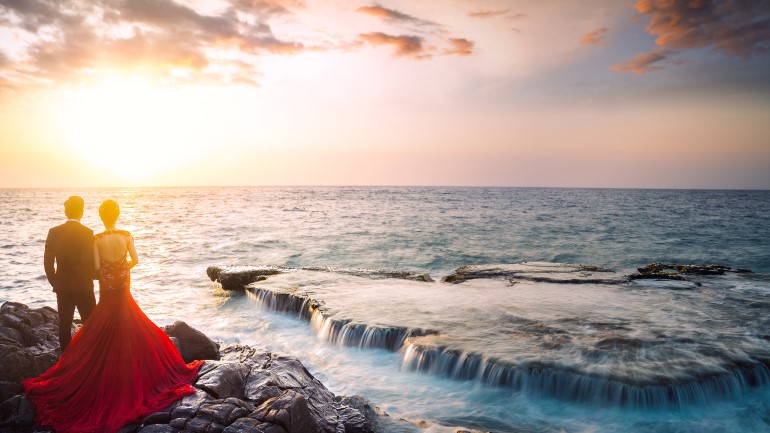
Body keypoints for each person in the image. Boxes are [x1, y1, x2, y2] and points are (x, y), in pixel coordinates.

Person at [23, 200, 204, 433]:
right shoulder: (114, 234)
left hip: (90, 287)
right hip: (111, 287)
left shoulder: (91, 237)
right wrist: (121, 269)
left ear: (100, 215)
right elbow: (132, 261)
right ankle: (111, 367)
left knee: (81, 328)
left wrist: (60, 282)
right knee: (113, 326)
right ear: (116, 214)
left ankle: (76, 368)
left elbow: (92, 267)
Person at [44, 195, 96, 352]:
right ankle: (89, 358)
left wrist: (56, 282)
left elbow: (48, 262)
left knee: (64, 325)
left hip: (63, 286)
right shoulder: (88, 233)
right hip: (84, 286)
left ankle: (66, 360)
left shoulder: (54, 232)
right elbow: (91, 262)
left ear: (65, 211)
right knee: (91, 325)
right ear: (82, 212)